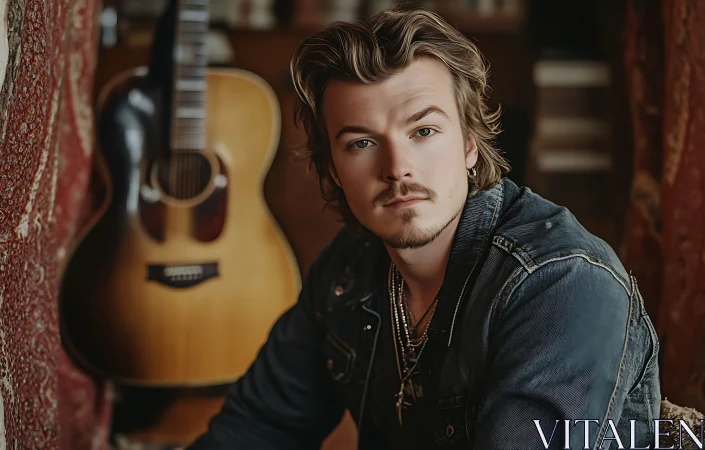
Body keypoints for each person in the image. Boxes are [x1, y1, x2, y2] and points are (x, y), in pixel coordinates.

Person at [188, 9, 660, 450]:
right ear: (332, 170)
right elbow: (251, 430)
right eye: (362, 142)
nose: (398, 168)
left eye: (424, 132)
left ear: (470, 143)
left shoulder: (561, 283)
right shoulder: (348, 269)